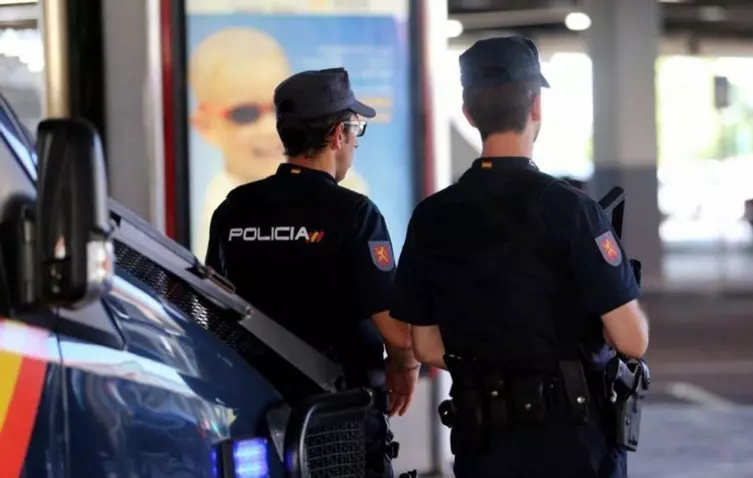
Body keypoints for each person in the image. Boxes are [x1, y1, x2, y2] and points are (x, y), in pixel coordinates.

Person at [390, 36, 650, 478]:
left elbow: (426, 346)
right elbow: (632, 340)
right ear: (536, 107)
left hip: (481, 445)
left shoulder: (432, 216)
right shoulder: (572, 210)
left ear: (469, 113)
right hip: (572, 447)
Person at [204, 67, 419, 478]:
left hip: (254, 419)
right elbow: (397, 333)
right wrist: (405, 367)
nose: (355, 141)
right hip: (337, 424)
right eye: (355, 130)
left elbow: (213, 310)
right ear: (338, 135)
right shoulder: (355, 214)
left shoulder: (233, 209)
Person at [188, 27, 369, 259]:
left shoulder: (351, 192)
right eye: (245, 114)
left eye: (281, 110)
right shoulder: (220, 212)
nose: (270, 127)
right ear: (204, 125)